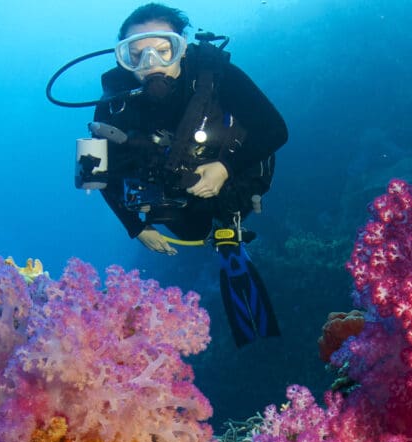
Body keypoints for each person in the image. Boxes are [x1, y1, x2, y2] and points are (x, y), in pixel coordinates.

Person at [88, 3, 288, 345]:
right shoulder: (113, 103)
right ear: (123, 59)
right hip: (175, 191)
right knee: (189, 225)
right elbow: (97, 175)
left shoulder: (219, 76)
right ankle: (216, 233)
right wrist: (136, 227)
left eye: (163, 50)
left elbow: (275, 130)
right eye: (136, 56)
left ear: (181, 46)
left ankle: (230, 231)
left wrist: (225, 168)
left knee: (232, 204)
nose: (151, 63)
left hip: (234, 170)